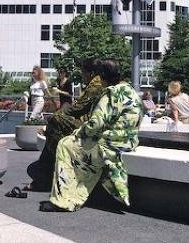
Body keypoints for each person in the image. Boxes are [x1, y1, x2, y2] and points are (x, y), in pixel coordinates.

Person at [40, 59, 143, 212]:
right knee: (76, 146)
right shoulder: (129, 90)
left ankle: (63, 200)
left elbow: (96, 123)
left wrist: (79, 132)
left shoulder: (110, 93)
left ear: (101, 76)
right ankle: (76, 193)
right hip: (127, 142)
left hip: (109, 143)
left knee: (65, 144)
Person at [23, 59, 106, 191]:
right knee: (53, 127)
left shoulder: (96, 83)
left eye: (83, 72)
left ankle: (49, 171)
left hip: (93, 127)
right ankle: (47, 172)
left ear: (90, 73)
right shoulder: (98, 82)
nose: (82, 76)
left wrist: (61, 112)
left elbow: (79, 107)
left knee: (54, 121)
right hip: (93, 125)